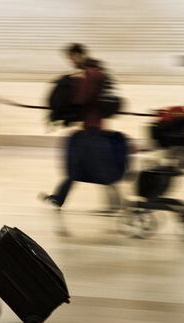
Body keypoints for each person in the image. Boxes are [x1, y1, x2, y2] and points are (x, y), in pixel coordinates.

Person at [42, 43, 123, 213]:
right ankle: (59, 198)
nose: (70, 61)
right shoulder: (96, 71)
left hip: (92, 129)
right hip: (92, 127)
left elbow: (82, 99)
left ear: (78, 55)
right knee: (78, 166)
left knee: (92, 167)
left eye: (71, 57)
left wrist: (67, 86)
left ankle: (116, 205)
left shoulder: (91, 73)